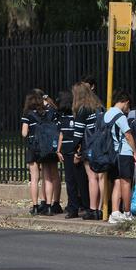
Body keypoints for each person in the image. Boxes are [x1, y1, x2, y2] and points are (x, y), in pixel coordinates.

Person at [21, 91, 59, 216]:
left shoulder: (28, 114)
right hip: (45, 147)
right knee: (47, 177)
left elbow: (24, 133)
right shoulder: (47, 113)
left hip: (33, 147)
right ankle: (48, 206)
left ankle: (35, 206)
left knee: (34, 179)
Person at [72, 82, 105, 220]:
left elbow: (78, 133)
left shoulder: (82, 109)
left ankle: (93, 209)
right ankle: (102, 208)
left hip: (89, 145)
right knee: (101, 177)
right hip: (103, 144)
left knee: (92, 178)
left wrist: (75, 149)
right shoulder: (100, 107)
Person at [106, 90, 136, 224]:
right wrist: (135, 152)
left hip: (112, 153)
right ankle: (127, 212)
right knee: (126, 183)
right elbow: (128, 135)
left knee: (117, 182)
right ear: (125, 102)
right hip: (124, 152)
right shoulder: (120, 116)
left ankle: (114, 212)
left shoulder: (106, 114)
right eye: (128, 105)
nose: (128, 108)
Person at [56, 90, 89, 219]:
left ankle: (86, 207)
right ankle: (73, 208)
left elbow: (79, 134)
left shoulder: (77, 115)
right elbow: (61, 134)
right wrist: (58, 150)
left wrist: (78, 152)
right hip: (66, 152)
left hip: (75, 152)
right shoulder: (62, 117)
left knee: (80, 181)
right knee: (70, 181)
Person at [31, 88, 62, 215]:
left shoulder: (42, 111)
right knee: (53, 174)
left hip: (44, 146)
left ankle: (48, 203)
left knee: (47, 176)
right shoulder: (53, 109)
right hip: (53, 145)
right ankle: (53, 203)